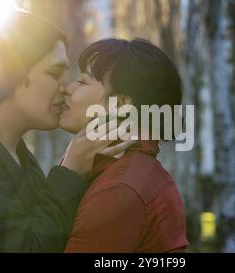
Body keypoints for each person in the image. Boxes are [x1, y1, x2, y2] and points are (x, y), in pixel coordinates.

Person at [0, 11, 134, 253]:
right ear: (12, 73)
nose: (66, 87)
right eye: (54, 73)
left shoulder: (20, 156)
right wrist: (70, 171)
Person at [61, 38, 189, 252]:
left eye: (82, 82)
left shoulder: (120, 188)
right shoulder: (114, 171)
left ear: (120, 104)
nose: (67, 88)